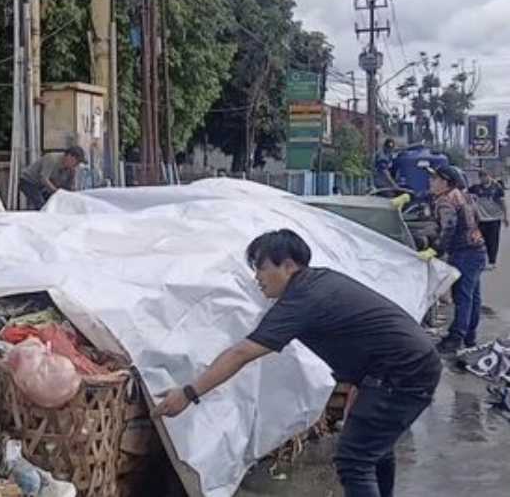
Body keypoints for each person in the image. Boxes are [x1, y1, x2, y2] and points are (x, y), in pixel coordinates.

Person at [153, 229, 441, 497]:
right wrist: (361, 384)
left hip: (401, 371)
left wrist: (189, 393)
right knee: (374, 449)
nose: (257, 277)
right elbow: (364, 334)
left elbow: (242, 353)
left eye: (262, 267)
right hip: (405, 364)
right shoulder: (320, 281)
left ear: (288, 266)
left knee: (354, 459)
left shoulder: (302, 298)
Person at [429, 166, 488, 353]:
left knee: (463, 297)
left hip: (464, 252)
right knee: (473, 296)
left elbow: (449, 226)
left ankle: (456, 339)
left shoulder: (445, 200)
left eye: (435, 179)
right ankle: (470, 337)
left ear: (445, 182)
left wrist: (437, 248)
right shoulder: (465, 195)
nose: (431, 182)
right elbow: (478, 218)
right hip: (478, 249)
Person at [18, 146, 85, 210]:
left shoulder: (70, 169)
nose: (76, 165)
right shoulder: (52, 159)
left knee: (52, 203)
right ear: (69, 156)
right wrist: (56, 191)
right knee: (41, 204)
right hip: (28, 181)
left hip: (42, 186)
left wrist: (72, 178)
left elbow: (69, 189)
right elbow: (44, 178)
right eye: (77, 162)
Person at [467, 169, 508, 268]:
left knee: (493, 241)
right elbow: (465, 193)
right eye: (481, 176)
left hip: (494, 219)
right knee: (480, 241)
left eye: (485, 176)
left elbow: (502, 203)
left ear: (489, 176)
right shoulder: (476, 188)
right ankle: (481, 260)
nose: (483, 178)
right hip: (481, 219)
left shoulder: (497, 187)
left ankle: (492, 261)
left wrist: (506, 217)